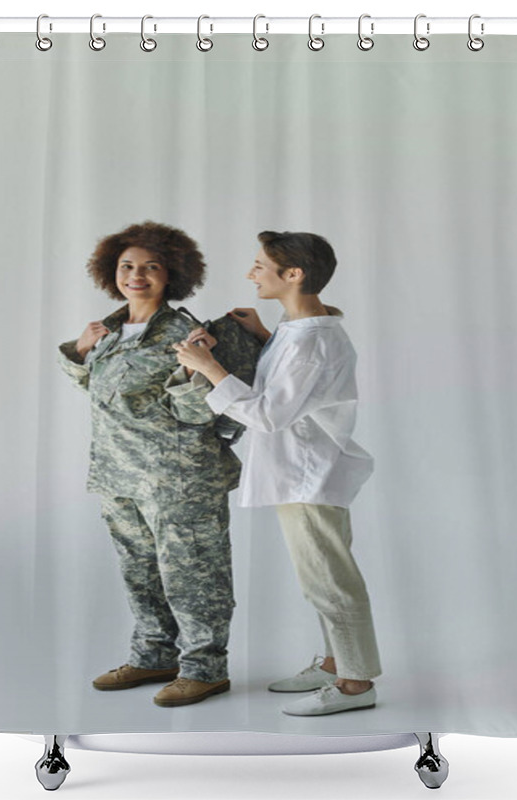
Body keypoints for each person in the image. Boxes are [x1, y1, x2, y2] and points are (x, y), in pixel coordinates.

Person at [174, 230, 381, 716]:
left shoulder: (311, 340)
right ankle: (336, 664)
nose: (251, 274)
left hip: (307, 475)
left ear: (294, 275)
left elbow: (269, 414)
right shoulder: (299, 329)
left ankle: (356, 684)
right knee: (322, 576)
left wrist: (207, 366)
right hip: (301, 470)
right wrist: (266, 337)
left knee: (329, 581)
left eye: (260, 266)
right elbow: (295, 380)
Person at [58, 221, 262, 707]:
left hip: (179, 479)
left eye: (151, 267)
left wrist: (197, 371)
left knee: (194, 576)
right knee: (140, 573)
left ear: (172, 275)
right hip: (118, 476)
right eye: (127, 266)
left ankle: (205, 669)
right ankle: (153, 654)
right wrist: (79, 352)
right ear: (112, 272)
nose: (137, 275)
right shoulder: (107, 332)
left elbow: (198, 415)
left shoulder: (185, 333)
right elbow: (105, 394)